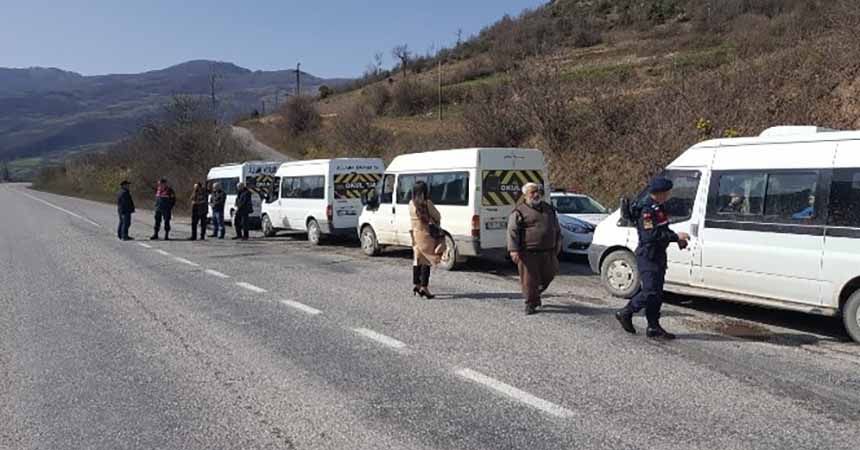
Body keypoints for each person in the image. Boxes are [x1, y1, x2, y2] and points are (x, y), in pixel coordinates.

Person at [615, 177, 690, 340]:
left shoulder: (658, 208)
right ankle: (626, 312)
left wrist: (676, 239)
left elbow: (663, 229)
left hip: (658, 255)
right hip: (648, 255)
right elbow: (651, 235)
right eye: (667, 192)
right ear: (660, 193)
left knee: (656, 294)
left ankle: (653, 326)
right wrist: (676, 236)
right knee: (649, 291)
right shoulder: (647, 210)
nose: (669, 195)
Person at [507, 182, 561, 315]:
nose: (536, 195)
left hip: (548, 251)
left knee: (550, 274)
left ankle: (535, 293)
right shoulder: (519, 211)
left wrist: (558, 243)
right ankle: (530, 303)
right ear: (525, 195)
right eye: (532, 192)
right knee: (529, 281)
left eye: (539, 192)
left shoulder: (549, 209)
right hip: (528, 253)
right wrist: (513, 250)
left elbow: (556, 227)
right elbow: (512, 231)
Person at [409, 181, 446, 299]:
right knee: (426, 261)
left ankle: (416, 284)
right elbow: (437, 216)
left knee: (417, 260)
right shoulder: (427, 203)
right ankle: (424, 288)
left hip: (415, 235)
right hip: (426, 235)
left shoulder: (411, 204)